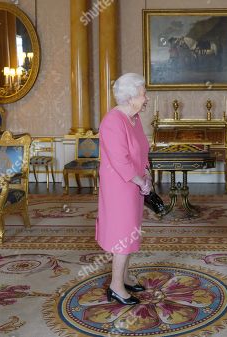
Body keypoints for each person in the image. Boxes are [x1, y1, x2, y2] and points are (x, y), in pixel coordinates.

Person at [96, 73, 152, 305]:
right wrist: (140, 181)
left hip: (135, 184)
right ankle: (116, 286)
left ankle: (125, 277)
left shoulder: (134, 118)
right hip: (120, 186)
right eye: (143, 94)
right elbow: (120, 160)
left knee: (130, 231)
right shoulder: (112, 121)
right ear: (130, 97)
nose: (147, 98)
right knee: (121, 234)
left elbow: (142, 149)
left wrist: (146, 173)